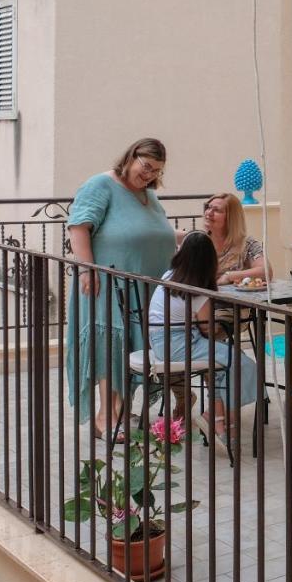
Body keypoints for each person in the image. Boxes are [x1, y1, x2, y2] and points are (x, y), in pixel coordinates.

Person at [65, 138, 180, 439]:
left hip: (145, 286)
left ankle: (122, 409)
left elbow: (152, 232)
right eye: (146, 167)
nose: (150, 174)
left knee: (134, 347)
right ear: (131, 157)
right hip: (107, 282)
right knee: (111, 345)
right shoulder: (101, 185)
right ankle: (106, 416)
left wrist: (187, 238)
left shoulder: (147, 195)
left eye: (156, 170)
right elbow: (78, 227)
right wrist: (89, 269)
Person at [147, 232, 260, 456]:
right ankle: (222, 420)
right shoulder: (198, 290)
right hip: (180, 345)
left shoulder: (170, 275)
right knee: (240, 363)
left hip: (161, 342)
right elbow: (206, 328)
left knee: (222, 364)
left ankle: (216, 420)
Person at [203, 193, 273, 286]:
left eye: (216, 210)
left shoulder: (247, 244)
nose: (209, 213)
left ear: (231, 218)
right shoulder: (199, 242)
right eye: (208, 207)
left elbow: (266, 271)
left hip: (233, 299)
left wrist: (229, 276)